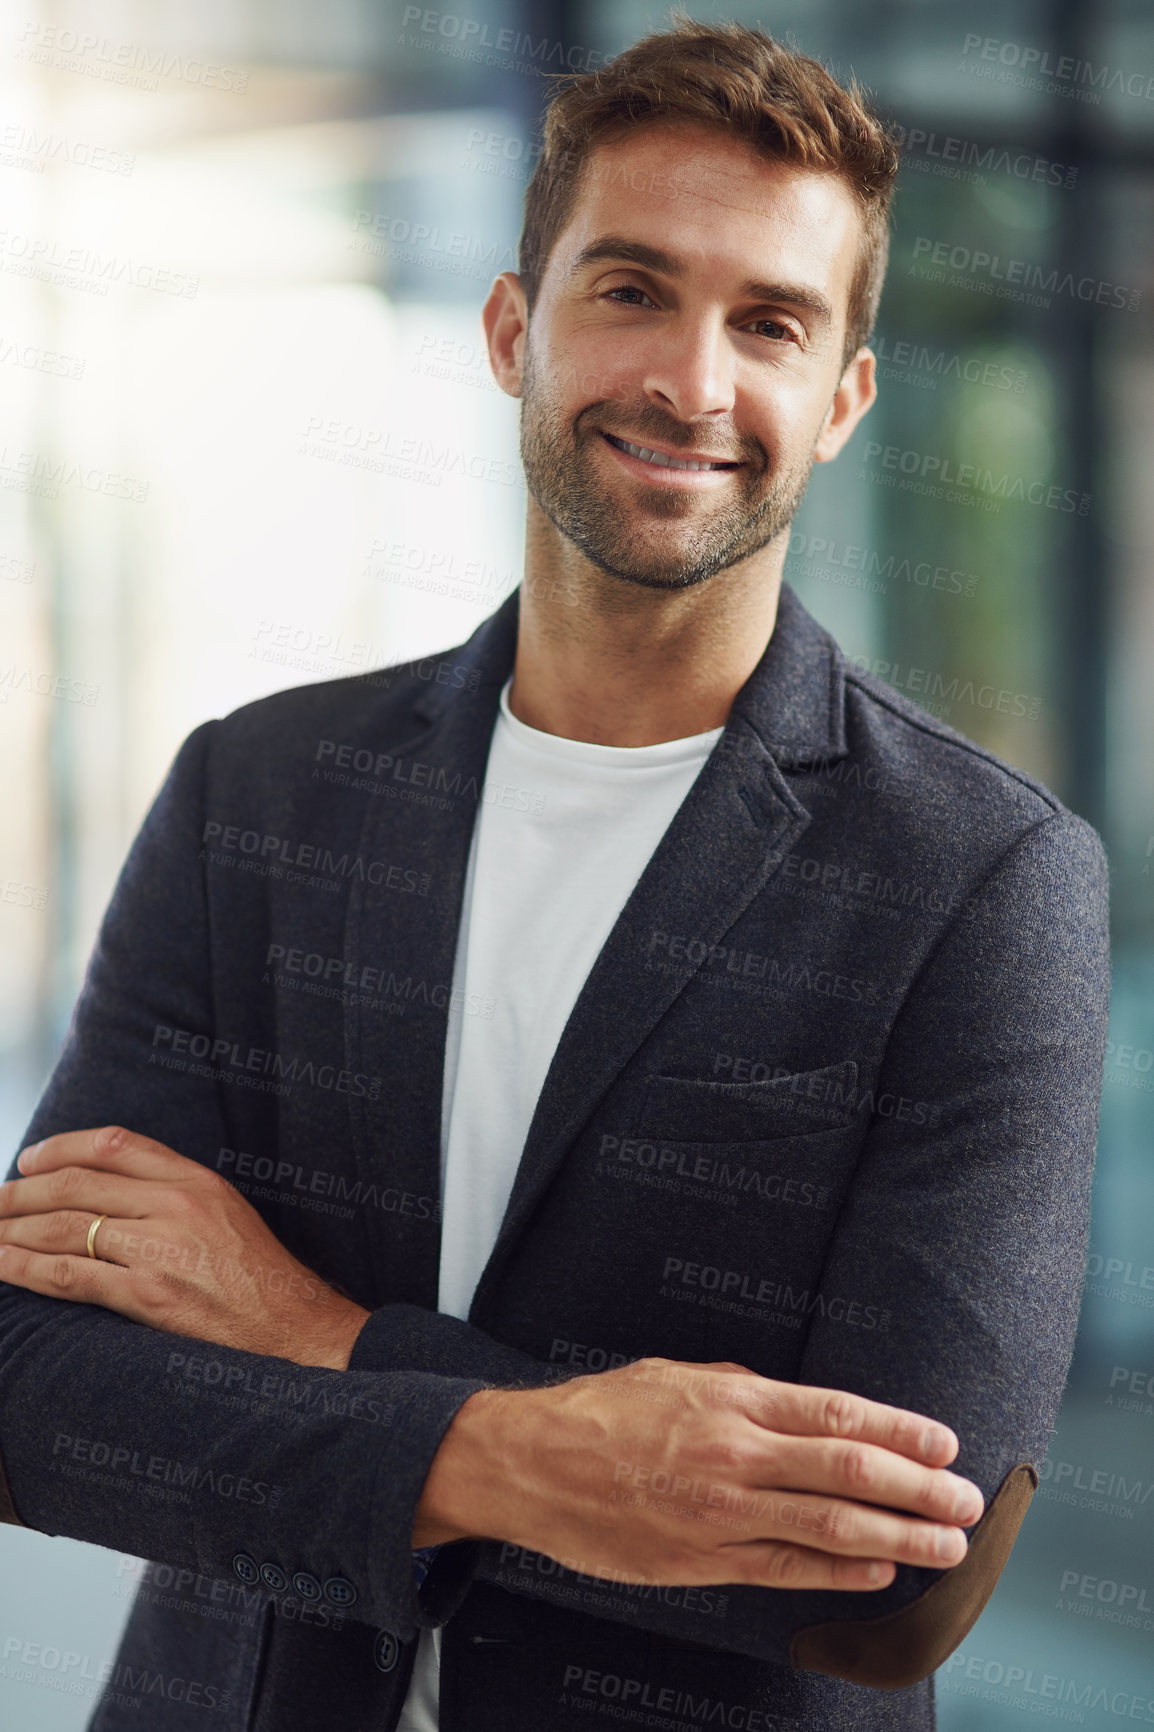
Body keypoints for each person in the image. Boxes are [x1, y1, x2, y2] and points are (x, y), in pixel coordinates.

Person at [0, 19, 1109, 1732]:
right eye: (630, 290)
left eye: (770, 324)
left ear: (840, 402)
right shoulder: (259, 790)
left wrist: (309, 1333)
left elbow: (893, 1581)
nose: (691, 380)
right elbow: (39, 1384)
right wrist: (554, 1452)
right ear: (514, 326)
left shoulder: (982, 881)